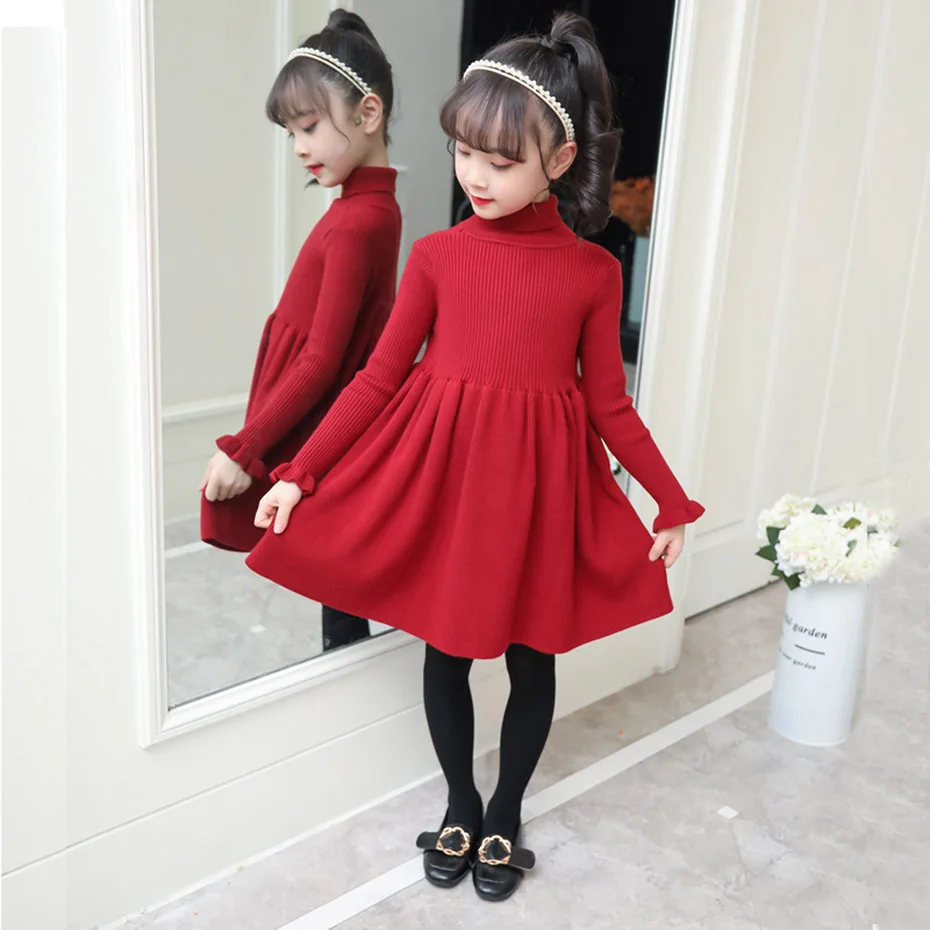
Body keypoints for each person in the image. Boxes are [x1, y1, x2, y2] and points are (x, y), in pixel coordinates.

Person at [247, 12, 704, 901]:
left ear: (558, 162)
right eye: (464, 153)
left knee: (532, 657)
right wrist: (300, 472)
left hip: (541, 490)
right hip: (451, 483)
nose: (476, 176)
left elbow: (609, 404)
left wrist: (670, 498)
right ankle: (460, 803)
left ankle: (505, 813)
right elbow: (378, 380)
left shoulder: (593, 273)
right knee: (448, 651)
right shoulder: (437, 257)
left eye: (501, 161)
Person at [199, 9, 401, 652]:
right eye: (291, 134)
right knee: (331, 580)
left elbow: (321, 360)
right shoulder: (368, 209)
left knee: (331, 580)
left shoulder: (358, 223)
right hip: (324, 411)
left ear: (368, 114)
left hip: (319, 420)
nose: (300, 149)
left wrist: (245, 447)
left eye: (310, 128)